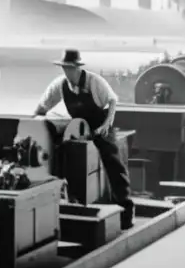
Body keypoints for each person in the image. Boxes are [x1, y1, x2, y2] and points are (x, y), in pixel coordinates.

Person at [34, 49, 135, 230]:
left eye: (70, 68)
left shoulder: (95, 82)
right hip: (79, 125)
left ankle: (126, 211)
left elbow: (112, 101)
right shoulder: (60, 85)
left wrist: (105, 125)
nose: (67, 71)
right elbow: (42, 106)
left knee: (112, 160)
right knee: (61, 152)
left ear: (78, 68)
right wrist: (34, 123)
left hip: (100, 123)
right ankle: (68, 201)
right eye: (64, 68)